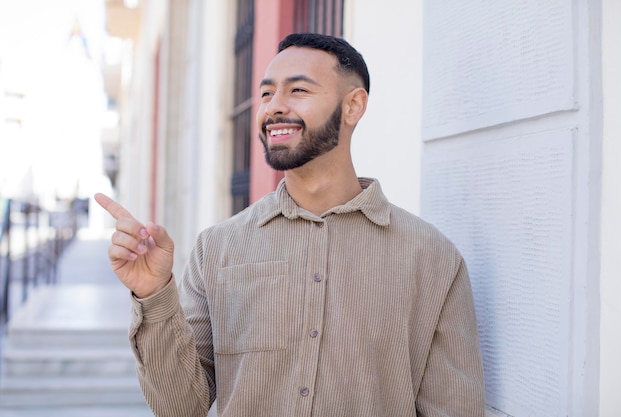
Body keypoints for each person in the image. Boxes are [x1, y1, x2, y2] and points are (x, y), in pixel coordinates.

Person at [95, 32, 485, 417]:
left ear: (353, 106)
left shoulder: (431, 257)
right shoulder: (216, 248)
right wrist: (154, 295)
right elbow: (180, 407)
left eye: (298, 90)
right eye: (266, 94)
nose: (274, 107)